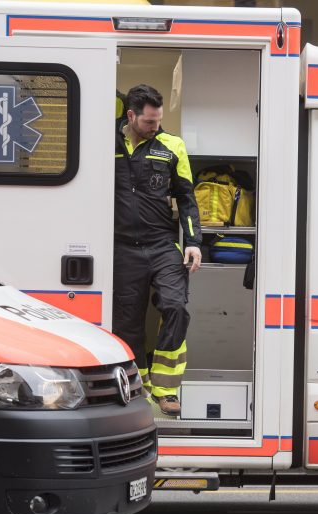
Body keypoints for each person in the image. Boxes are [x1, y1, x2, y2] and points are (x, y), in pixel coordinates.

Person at [114, 84, 202, 417]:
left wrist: (193, 242)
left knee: (175, 307)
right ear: (131, 115)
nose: (156, 127)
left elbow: (187, 198)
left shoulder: (172, 146)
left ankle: (166, 389)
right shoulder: (108, 143)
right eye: (150, 122)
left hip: (163, 244)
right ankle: (139, 386)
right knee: (128, 322)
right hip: (121, 248)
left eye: (159, 120)